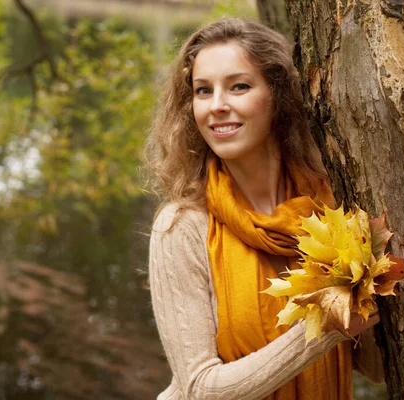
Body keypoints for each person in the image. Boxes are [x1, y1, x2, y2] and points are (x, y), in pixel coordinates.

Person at [144, 18, 384, 400]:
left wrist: (374, 281)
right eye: (203, 91)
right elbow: (200, 390)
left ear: (278, 95)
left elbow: (377, 369)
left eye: (238, 86)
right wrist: (325, 326)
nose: (217, 106)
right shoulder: (181, 227)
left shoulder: (331, 212)